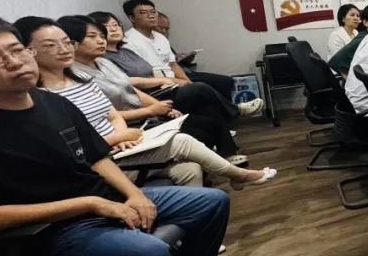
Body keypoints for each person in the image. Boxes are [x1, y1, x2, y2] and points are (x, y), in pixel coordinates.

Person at [0, 13, 229, 256]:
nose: (14, 62)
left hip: (105, 202)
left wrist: (134, 194)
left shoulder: (54, 103)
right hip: (46, 234)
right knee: (150, 251)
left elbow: (98, 158)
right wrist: (91, 204)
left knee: (211, 202)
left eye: (16, 50)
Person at [15, 17, 275, 190]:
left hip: (125, 139)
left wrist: (124, 132)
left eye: (66, 42)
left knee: (191, 162)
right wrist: (120, 136)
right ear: (27, 51)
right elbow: (72, 143)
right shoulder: (40, 96)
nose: (64, 49)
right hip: (106, 154)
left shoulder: (82, 78)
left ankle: (197, 236)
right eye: (51, 45)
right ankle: (238, 173)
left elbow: (112, 112)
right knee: (186, 132)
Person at [61, 15, 242, 163]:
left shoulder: (104, 62)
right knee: (200, 119)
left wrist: (162, 108)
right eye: (92, 37)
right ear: (72, 43)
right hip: (133, 124)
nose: (101, 40)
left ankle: (228, 159)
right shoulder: (75, 76)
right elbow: (106, 115)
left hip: (148, 112)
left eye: (102, 36)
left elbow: (132, 90)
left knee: (209, 117)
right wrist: (151, 110)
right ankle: (225, 164)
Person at [90, 11, 260, 121]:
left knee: (212, 90)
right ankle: (235, 111)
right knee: (200, 89)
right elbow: (126, 82)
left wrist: (172, 80)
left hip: (164, 85)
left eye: (115, 25)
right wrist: (165, 81)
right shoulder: (103, 58)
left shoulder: (126, 50)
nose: (113, 29)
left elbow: (153, 69)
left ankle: (225, 138)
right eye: (106, 27)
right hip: (152, 93)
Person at [122, 0, 254, 113]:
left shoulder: (160, 37)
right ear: (132, 18)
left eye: (153, 12)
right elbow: (144, 75)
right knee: (201, 88)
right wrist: (179, 82)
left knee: (224, 81)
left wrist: (187, 81)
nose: (151, 16)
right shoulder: (129, 42)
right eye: (143, 13)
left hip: (173, 80)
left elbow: (172, 64)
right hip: (158, 87)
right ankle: (235, 110)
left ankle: (229, 120)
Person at [328, 3, 368, 75]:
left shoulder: (356, 32)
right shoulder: (335, 35)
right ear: (343, 18)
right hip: (340, 73)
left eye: (358, 16)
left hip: (354, 69)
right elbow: (338, 60)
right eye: (352, 15)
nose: (356, 18)